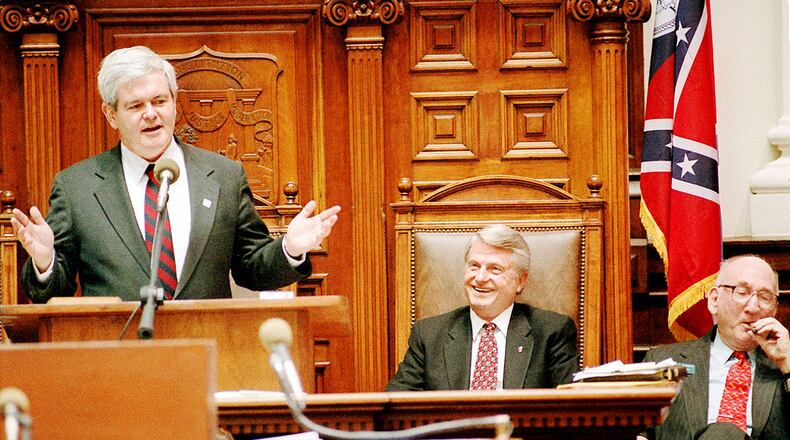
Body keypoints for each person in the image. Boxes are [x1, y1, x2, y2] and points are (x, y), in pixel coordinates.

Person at [10, 46, 340, 303]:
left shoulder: (224, 176)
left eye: (159, 101)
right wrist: (45, 263)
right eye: (135, 106)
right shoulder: (77, 188)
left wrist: (290, 249)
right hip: (119, 364)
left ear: (175, 103)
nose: (151, 114)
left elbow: (251, 268)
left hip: (211, 355)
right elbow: (55, 291)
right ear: (110, 114)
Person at [386, 224, 579, 391]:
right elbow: (397, 407)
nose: (480, 278)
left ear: (520, 281)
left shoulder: (552, 332)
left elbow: (570, 407)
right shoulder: (429, 335)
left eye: (495, 269)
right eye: (474, 266)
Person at [642, 255, 790, 439]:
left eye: (765, 297)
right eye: (742, 292)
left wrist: (787, 363)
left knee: (726, 432)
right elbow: (638, 432)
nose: (752, 308)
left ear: (774, 310)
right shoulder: (663, 362)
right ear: (714, 300)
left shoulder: (785, 366)